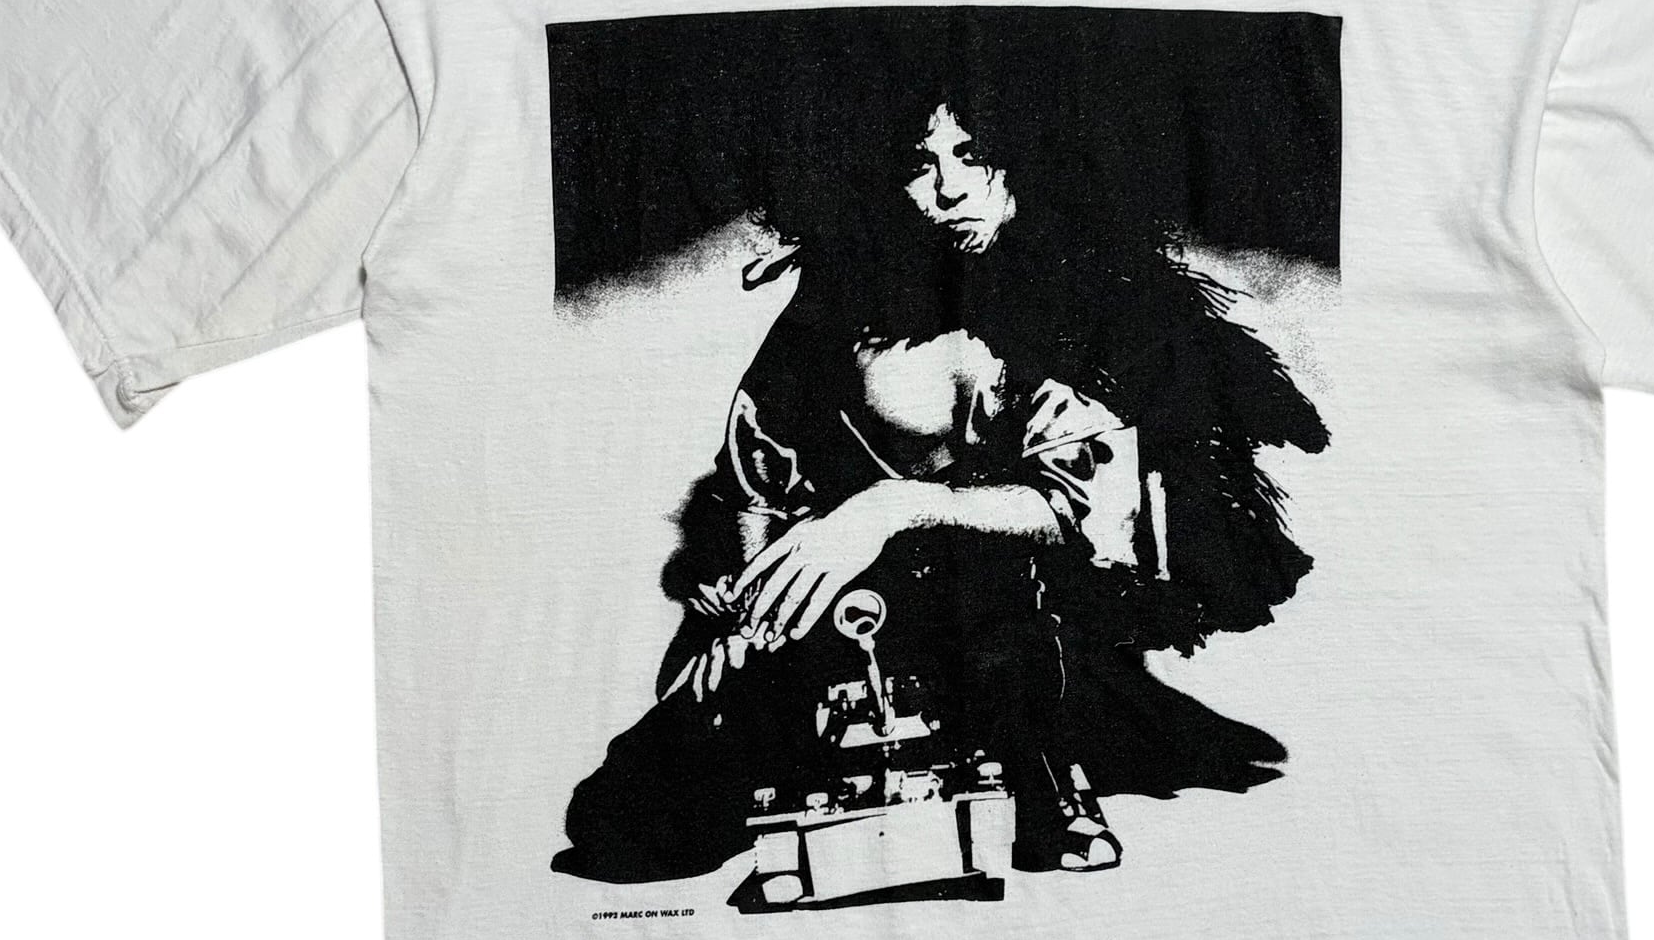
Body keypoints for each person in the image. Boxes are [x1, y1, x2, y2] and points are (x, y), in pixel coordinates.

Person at [553, 82, 1326, 889]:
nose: (949, 189)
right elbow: (761, 469)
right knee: (628, 816)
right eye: (918, 164)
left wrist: (892, 508)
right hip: (860, 612)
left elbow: (1084, 513)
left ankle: (1044, 772)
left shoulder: (1080, 306)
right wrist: (747, 617)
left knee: (1006, 634)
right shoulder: (834, 308)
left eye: (974, 156)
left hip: (1028, 615)